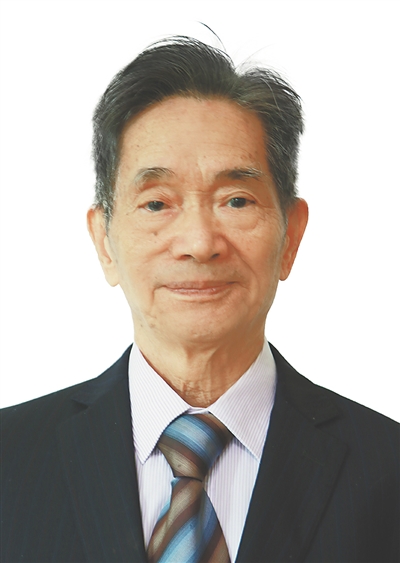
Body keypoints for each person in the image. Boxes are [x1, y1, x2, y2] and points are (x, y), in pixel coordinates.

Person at [1, 37, 398, 563]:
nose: (198, 242)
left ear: (291, 236)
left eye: (236, 200)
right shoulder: (10, 460)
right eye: (156, 203)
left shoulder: (387, 470)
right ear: (104, 242)